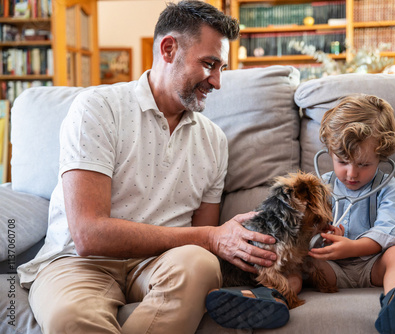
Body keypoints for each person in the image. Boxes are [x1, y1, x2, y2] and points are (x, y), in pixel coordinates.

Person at [17, 1, 284, 333]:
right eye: (209, 64)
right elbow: (89, 235)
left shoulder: (213, 140)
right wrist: (212, 237)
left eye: (222, 69)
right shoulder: (98, 109)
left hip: (162, 263)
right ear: (168, 49)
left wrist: (221, 243)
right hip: (80, 263)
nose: (217, 82)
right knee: (71, 317)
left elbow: (199, 243)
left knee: (200, 264)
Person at [308, 94, 395, 334]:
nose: (351, 174)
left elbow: (390, 231)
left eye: (364, 164)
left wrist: (352, 247)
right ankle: (273, 297)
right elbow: (306, 227)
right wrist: (323, 233)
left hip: (373, 267)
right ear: (329, 153)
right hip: (328, 269)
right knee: (297, 259)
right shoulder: (319, 187)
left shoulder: (389, 189)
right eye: (342, 162)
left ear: (382, 156)